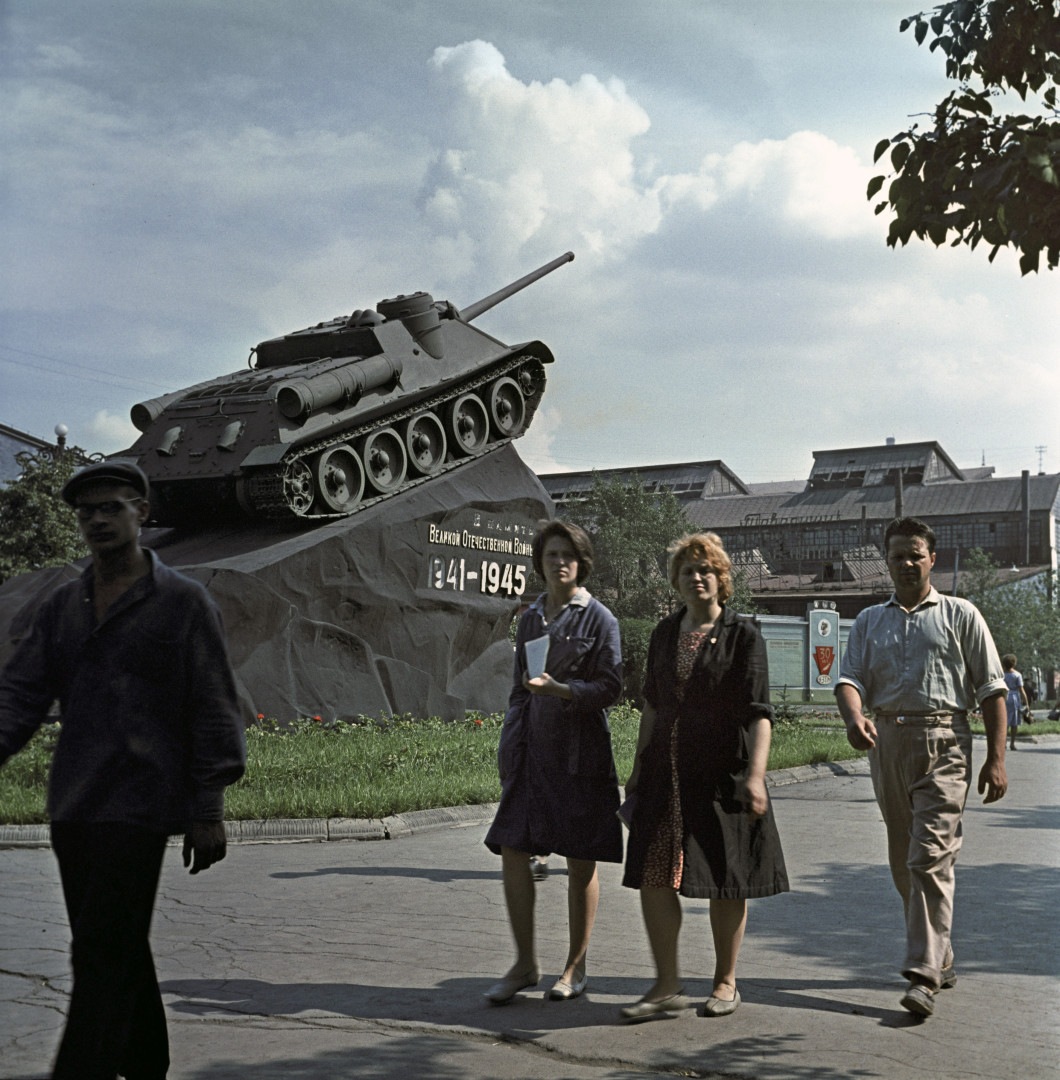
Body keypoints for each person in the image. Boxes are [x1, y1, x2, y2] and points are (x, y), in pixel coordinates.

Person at [0, 460, 247, 1079]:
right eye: (87, 511)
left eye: (111, 507)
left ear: (141, 512)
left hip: (140, 806)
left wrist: (208, 807)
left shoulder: (183, 603)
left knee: (101, 952)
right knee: (114, 948)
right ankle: (146, 1064)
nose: (98, 520)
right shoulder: (63, 606)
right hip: (74, 805)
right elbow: (20, 697)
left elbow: (213, 705)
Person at [836, 516, 1008, 1019]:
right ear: (886, 563)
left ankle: (923, 973)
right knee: (902, 857)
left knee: (929, 855)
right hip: (887, 742)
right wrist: (853, 718)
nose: (907, 563)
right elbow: (849, 680)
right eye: (898, 556)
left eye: (916, 554)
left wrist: (997, 759)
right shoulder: (869, 621)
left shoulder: (961, 614)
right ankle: (941, 952)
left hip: (945, 741)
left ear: (932, 558)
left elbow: (992, 689)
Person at [620, 532, 788, 1022]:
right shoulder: (664, 633)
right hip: (665, 771)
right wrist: (637, 768)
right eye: (688, 571)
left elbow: (759, 713)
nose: (697, 578)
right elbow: (653, 704)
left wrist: (756, 776)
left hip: (722, 773)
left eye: (706, 570)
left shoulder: (743, 634)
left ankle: (725, 981)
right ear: (676, 580)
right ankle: (666, 984)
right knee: (654, 873)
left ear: (722, 579)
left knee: (725, 877)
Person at [483, 520, 624, 1004]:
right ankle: (525, 964)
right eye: (551, 555)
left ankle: (575, 967)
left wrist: (563, 691)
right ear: (540, 564)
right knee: (513, 848)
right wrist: (510, 745)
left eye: (568, 555)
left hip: (581, 754)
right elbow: (519, 689)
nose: (560, 562)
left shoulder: (599, 619)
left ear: (581, 563)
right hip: (532, 753)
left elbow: (611, 687)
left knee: (580, 859)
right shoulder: (530, 619)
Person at [1002, 654, 1029, 750]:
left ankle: (1003, 743)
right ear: (1014, 663)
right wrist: (1026, 704)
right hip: (1014, 698)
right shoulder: (1017, 675)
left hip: (1004, 697)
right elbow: (1021, 690)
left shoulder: (1001, 675)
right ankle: (1012, 743)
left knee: (1004, 721)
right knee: (1014, 722)